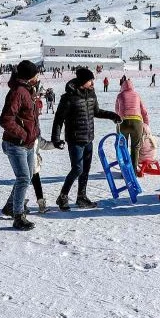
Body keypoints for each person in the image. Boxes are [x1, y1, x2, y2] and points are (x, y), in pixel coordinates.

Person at [51, 68, 122, 211]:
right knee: (77, 168)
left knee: (86, 169)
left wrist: (112, 116)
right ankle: (63, 196)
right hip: (75, 139)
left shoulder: (91, 94)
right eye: (90, 80)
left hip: (89, 138)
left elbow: (96, 112)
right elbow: (58, 120)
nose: (92, 83)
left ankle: (81, 197)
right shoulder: (68, 97)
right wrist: (56, 139)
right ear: (83, 81)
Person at [0, 60, 41, 231]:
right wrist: (23, 135)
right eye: (36, 74)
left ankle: (10, 206)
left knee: (27, 176)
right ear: (29, 76)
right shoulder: (18, 92)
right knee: (24, 178)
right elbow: (6, 119)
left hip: (28, 142)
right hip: (16, 143)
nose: (38, 77)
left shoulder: (28, 90)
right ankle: (18, 216)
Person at [115, 79, 150, 173]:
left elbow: (117, 111)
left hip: (123, 122)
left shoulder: (120, 95)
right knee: (135, 147)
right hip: (136, 122)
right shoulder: (137, 95)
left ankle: (124, 171)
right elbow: (144, 111)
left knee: (123, 147)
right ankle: (133, 171)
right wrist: (146, 123)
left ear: (122, 87)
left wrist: (118, 124)